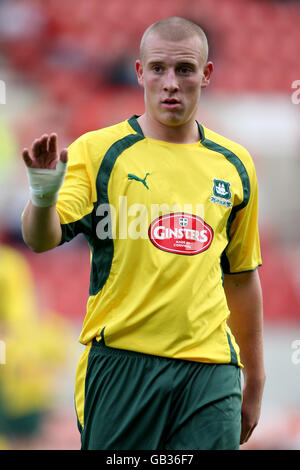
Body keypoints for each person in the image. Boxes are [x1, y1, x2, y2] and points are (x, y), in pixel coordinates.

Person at [21, 17, 265, 450]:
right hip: (122, 363)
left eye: (185, 70)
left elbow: (242, 276)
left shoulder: (236, 163)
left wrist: (256, 379)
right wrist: (42, 196)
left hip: (210, 370)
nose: (171, 82)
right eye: (158, 69)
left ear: (205, 75)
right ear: (139, 72)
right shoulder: (98, 152)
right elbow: (41, 239)